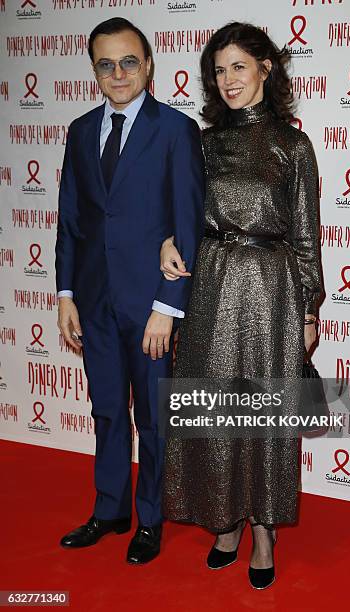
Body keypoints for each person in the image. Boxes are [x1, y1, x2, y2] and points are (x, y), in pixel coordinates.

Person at [159, 22, 323, 589]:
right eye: (219, 69)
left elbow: (306, 233)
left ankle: (262, 531)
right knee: (213, 408)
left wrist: (309, 310)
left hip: (271, 289)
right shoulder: (199, 143)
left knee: (262, 414)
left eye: (239, 66)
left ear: (266, 68)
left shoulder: (291, 144)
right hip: (209, 286)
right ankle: (223, 522)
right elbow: (177, 213)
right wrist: (166, 241)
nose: (228, 79)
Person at [55, 17, 205, 564]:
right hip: (93, 302)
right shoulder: (78, 130)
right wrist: (66, 293)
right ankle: (111, 508)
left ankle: (151, 518)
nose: (118, 73)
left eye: (128, 61)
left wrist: (168, 307)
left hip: (151, 308)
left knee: (153, 419)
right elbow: (71, 218)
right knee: (107, 410)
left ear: (148, 66)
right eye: (105, 63)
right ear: (93, 69)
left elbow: (186, 224)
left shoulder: (175, 131)